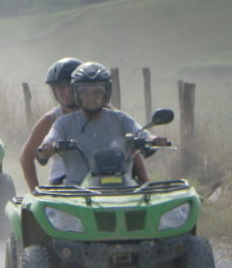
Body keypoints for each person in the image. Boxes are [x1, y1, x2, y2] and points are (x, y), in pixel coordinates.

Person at [37, 62, 160, 186]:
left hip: (123, 189)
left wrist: (151, 139)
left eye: (97, 92)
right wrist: (48, 147)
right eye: (84, 92)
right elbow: (51, 138)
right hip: (76, 194)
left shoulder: (121, 119)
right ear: (76, 94)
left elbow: (139, 131)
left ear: (106, 93)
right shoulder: (63, 123)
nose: (91, 97)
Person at [19, 57, 82, 190]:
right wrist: (35, 191)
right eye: (55, 87)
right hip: (63, 181)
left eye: (64, 85)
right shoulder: (51, 119)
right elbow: (26, 157)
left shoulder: (103, 113)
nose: (59, 91)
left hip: (98, 176)